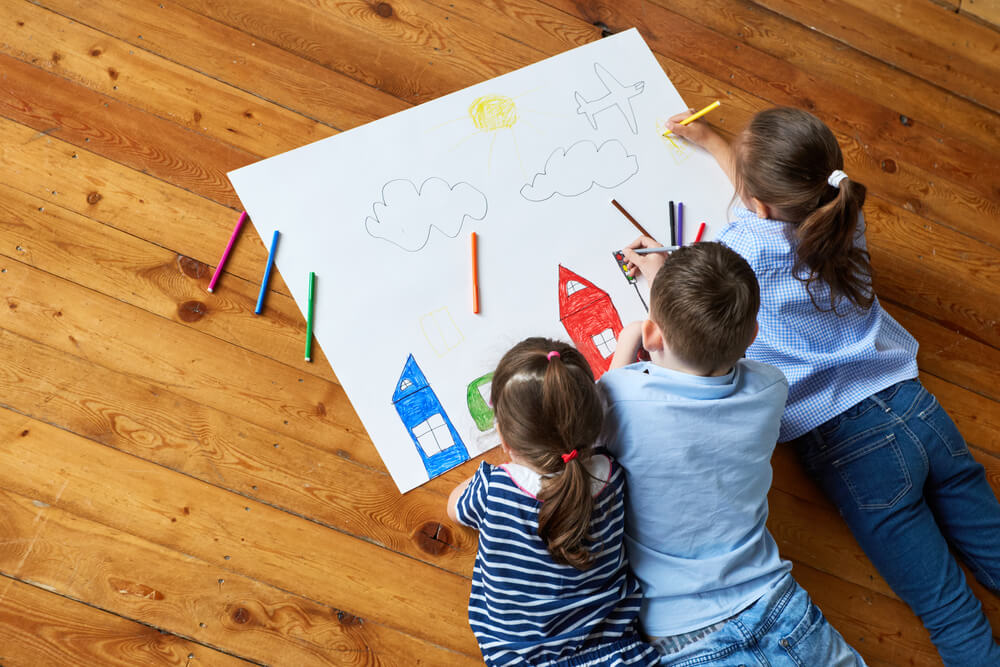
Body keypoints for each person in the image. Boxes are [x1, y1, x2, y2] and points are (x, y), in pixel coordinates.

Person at [623, 106, 1000, 666]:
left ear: (753, 204)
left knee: (950, 612)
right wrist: (714, 140)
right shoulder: (843, 214)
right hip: (915, 406)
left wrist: (661, 277)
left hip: (851, 446)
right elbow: (776, 199)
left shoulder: (741, 252)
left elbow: (707, 303)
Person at [603, 241, 865, 665]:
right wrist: (669, 293)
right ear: (753, 337)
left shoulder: (618, 398)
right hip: (778, 602)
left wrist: (627, 340)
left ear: (651, 335)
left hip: (683, 636)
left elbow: (595, 408)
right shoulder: (770, 387)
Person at [446, 337, 658, 667]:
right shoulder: (613, 478)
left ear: (503, 438)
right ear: (596, 425)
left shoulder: (495, 488)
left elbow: (453, 507)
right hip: (618, 654)